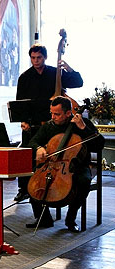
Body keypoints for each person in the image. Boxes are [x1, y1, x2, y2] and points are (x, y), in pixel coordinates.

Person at [14, 44, 83, 202]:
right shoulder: (25, 77)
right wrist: (23, 121)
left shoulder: (55, 73)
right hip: (33, 123)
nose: (36, 61)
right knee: (26, 155)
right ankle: (23, 189)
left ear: (45, 57)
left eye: (39, 58)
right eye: (33, 58)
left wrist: (69, 69)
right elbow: (20, 103)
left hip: (54, 125)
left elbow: (78, 83)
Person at [27, 96, 103, 232]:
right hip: (51, 165)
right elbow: (33, 142)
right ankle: (44, 218)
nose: (53, 117)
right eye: (51, 113)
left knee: (83, 181)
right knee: (31, 178)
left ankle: (71, 218)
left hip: (77, 167)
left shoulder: (82, 123)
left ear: (68, 113)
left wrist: (83, 128)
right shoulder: (49, 126)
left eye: (57, 114)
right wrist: (39, 148)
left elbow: (99, 144)